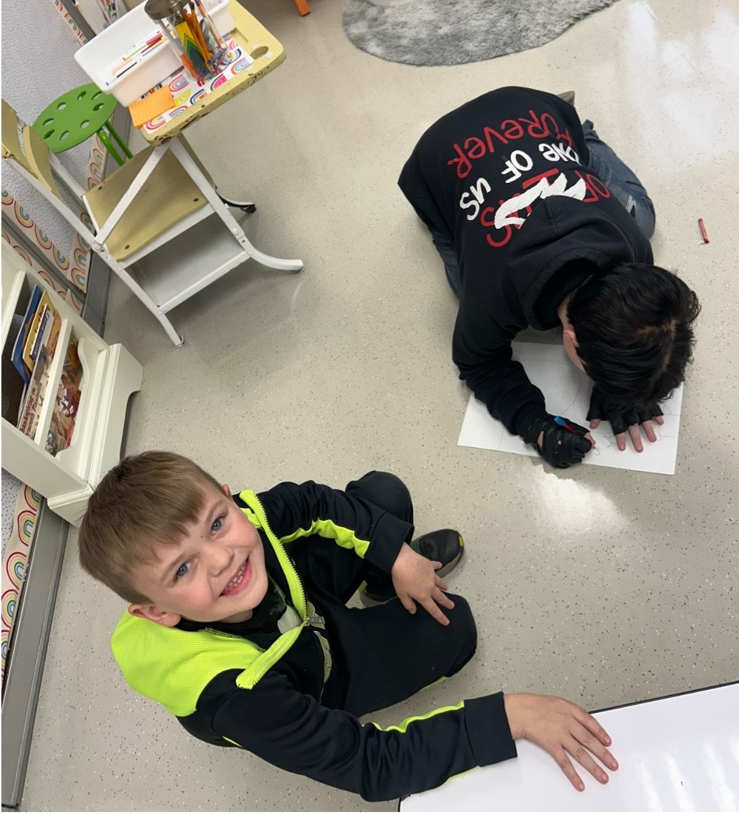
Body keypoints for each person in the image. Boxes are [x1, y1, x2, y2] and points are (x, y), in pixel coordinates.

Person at [78, 451, 618, 802]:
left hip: (300, 606)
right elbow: (371, 764)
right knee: (456, 630)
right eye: (183, 569)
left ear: (229, 495)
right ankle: (377, 595)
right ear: (156, 612)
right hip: (309, 678)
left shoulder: (244, 523)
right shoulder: (239, 699)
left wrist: (394, 556)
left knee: (383, 496)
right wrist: (506, 717)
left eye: (217, 523)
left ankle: (384, 581)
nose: (221, 560)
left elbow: (312, 502)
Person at [398, 86, 700, 469]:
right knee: (463, 286)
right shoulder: (494, 291)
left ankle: (572, 144)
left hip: (534, 117)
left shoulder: (636, 256)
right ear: (569, 338)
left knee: (639, 220)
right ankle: (585, 135)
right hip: (440, 155)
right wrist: (533, 423)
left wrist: (624, 387)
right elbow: (476, 363)